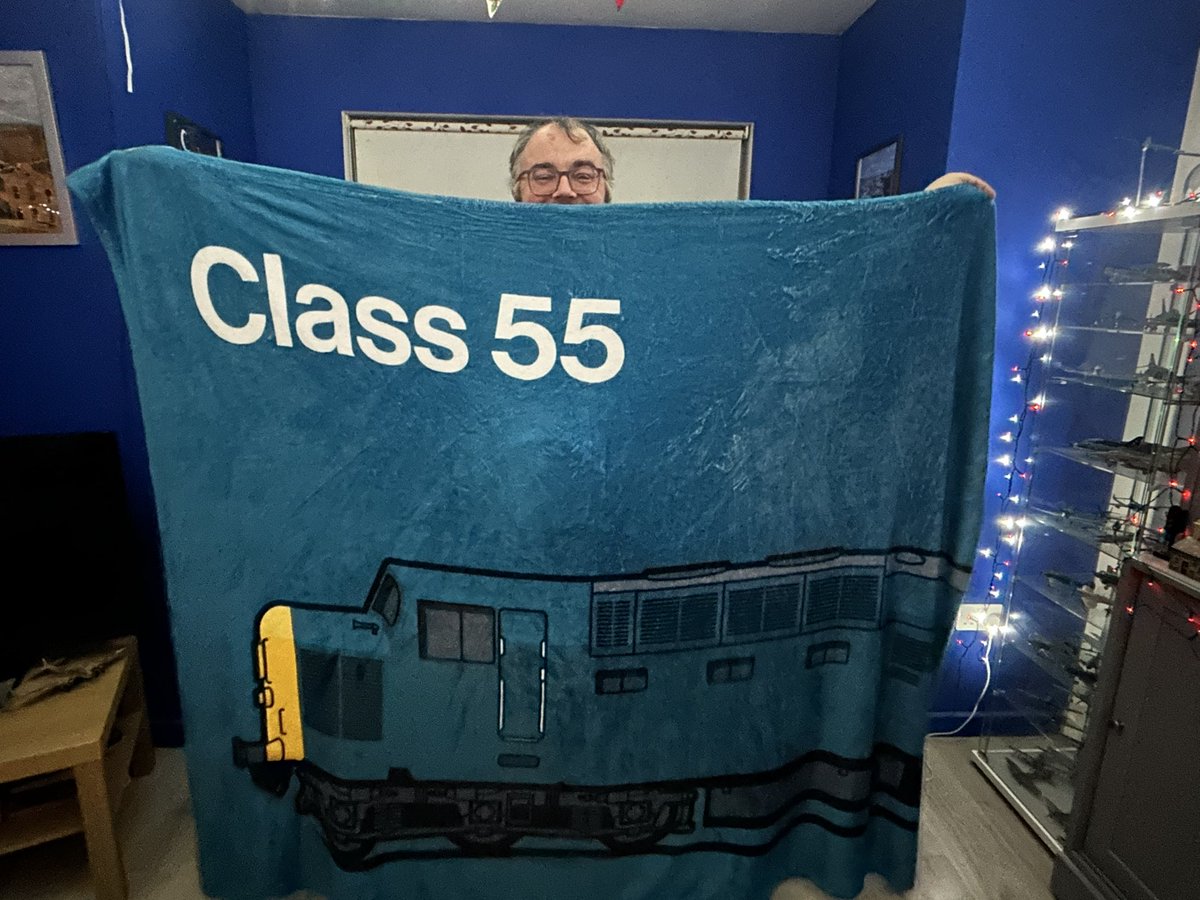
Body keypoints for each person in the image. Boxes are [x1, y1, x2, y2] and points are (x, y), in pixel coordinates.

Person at [508, 117, 994, 203]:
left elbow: (827, 264)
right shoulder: (475, 258)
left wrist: (928, 215)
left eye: (583, 174)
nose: (565, 190)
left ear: (606, 186)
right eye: (543, 175)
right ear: (517, 188)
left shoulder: (656, 252)